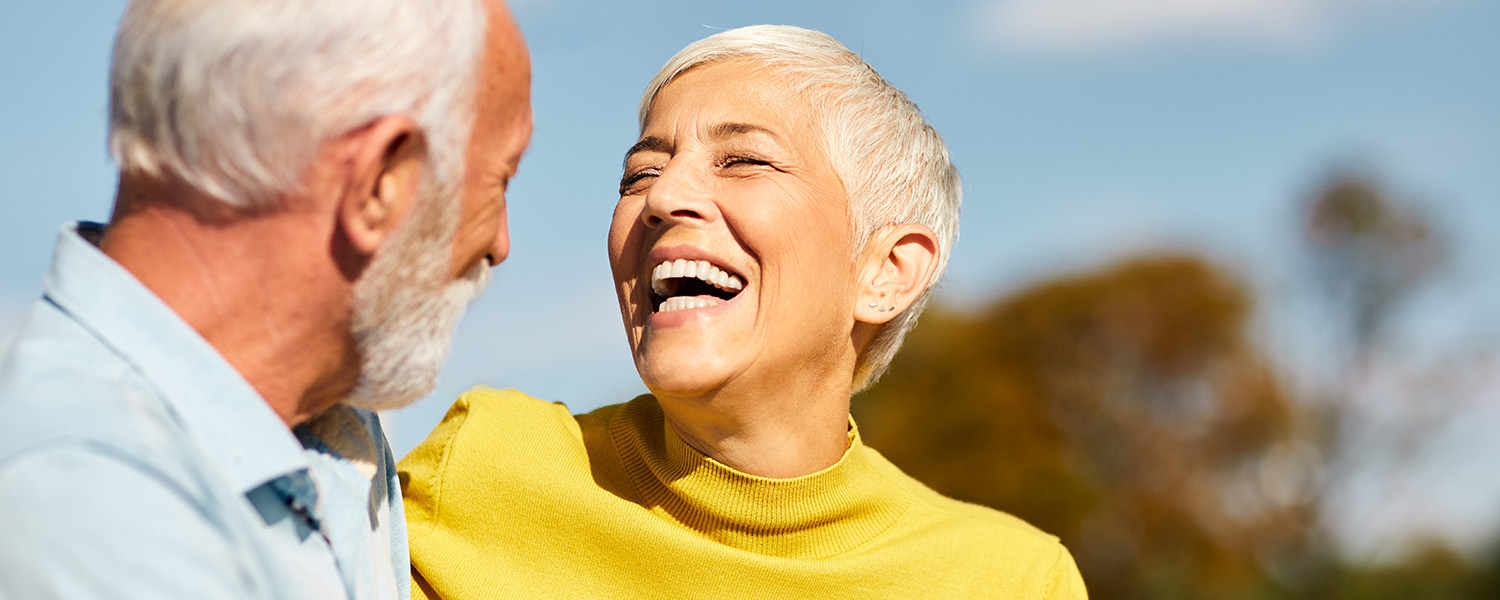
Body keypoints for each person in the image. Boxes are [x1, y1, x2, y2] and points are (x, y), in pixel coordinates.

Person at [401, 25, 1087, 599]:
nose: (664, 196)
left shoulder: (1014, 580)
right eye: (640, 173)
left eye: (743, 161)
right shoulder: (481, 467)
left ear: (886, 272)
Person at [0, 0, 531, 598]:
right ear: (379, 182)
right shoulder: (90, 508)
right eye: (500, 178)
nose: (500, 244)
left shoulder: (330, 420)